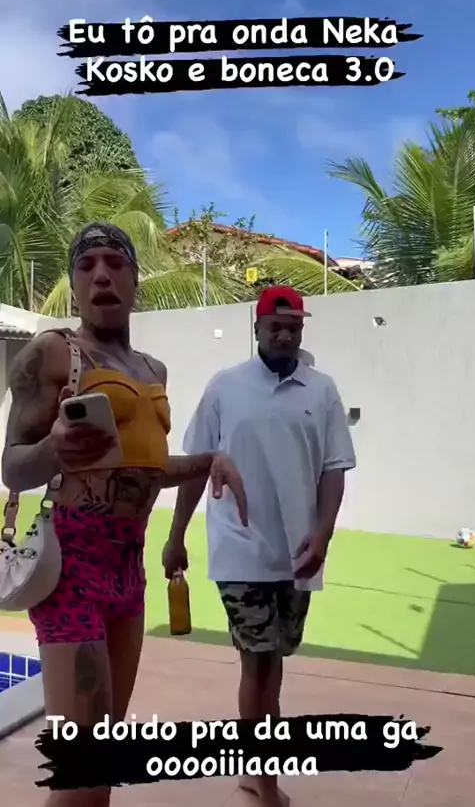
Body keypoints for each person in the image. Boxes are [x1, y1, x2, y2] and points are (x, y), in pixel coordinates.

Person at [1, 222, 247, 807]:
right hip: (72, 568)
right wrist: (54, 448)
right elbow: (12, 467)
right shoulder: (53, 353)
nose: (102, 276)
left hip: (128, 572)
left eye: (115, 263)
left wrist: (209, 460)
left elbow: (146, 470)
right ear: (74, 283)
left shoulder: (153, 370)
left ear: (136, 279)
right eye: (86, 266)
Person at [163, 285, 356, 807]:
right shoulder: (225, 387)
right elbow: (196, 466)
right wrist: (176, 536)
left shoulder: (322, 391)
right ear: (257, 329)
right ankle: (264, 782)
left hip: (299, 554)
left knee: (274, 663)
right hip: (240, 549)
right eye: (276, 326)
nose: (285, 334)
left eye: (294, 326)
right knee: (259, 660)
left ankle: (256, 770)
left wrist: (324, 533)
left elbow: (334, 469)